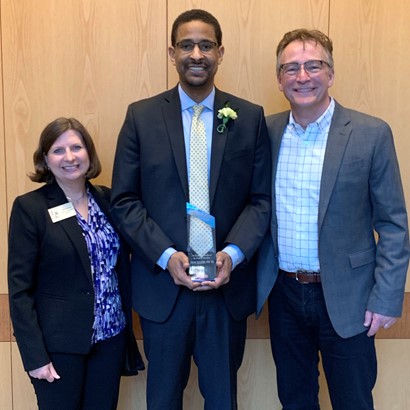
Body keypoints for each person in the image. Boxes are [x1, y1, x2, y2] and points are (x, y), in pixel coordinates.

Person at [110, 9, 271, 409]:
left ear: (220, 52)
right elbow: (125, 201)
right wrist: (167, 257)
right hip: (163, 291)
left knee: (222, 400)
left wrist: (232, 255)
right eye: (186, 45)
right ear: (172, 52)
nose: (196, 53)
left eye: (205, 45)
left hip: (226, 288)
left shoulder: (248, 118)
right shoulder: (141, 117)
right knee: (162, 400)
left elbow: (260, 201)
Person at [256, 28, 410, 409]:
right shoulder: (266, 132)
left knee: (353, 400)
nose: (302, 76)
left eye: (314, 65)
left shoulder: (370, 134)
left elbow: (393, 223)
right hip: (285, 294)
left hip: (350, 297)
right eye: (291, 68)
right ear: (279, 79)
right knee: (294, 400)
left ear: (331, 73)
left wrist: (388, 296)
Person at [8, 117, 143, 410]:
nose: (69, 157)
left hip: (110, 338)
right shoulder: (30, 208)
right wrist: (35, 356)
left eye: (76, 147)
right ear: (45, 158)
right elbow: (19, 290)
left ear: (88, 153)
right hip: (58, 347)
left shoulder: (108, 201)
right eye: (58, 150)